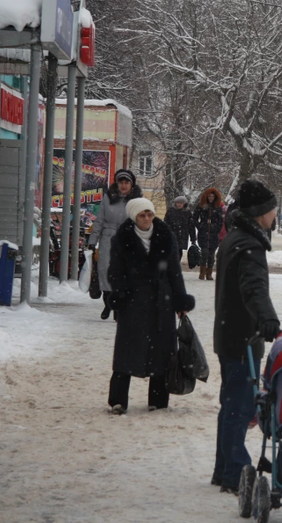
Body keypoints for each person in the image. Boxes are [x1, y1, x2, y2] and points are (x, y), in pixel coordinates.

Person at [212, 179, 282, 495]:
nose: (275, 212)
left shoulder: (236, 239)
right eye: (272, 207)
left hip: (229, 333)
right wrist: (267, 319)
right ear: (260, 212)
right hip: (242, 337)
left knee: (231, 404)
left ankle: (223, 469)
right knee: (238, 406)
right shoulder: (249, 245)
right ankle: (235, 472)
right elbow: (252, 288)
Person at [106, 198, 195, 415]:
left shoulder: (166, 236)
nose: (146, 219)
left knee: (162, 352)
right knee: (126, 351)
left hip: (160, 301)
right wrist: (120, 293)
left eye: (149, 214)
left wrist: (179, 300)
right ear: (134, 217)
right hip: (133, 302)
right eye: (142, 215)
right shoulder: (122, 239)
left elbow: (174, 271)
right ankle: (118, 401)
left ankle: (158, 400)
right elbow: (115, 271)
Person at [87, 169, 142, 320]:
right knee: (105, 271)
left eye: (126, 183)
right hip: (108, 238)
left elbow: (143, 222)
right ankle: (108, 304)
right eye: (121, 182)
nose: (123, 186)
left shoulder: (137, 201)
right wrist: (92, 240)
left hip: (128, 239)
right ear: (117, 184)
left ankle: (119, 307)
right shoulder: (108, 198)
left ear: (131, 184)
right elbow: (99, 220)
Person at [192, 187, 224, 280]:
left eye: (212, 196)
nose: (211, 198)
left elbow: (221, 220)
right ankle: (202, 272)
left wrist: (217, 228)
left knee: (211, 255)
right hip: (203, 233)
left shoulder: (217, 207)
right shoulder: (201, 206)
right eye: (209, 196)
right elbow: (194, 218)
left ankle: (209, 273)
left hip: (214, 234)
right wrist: (200, 226)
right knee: (204, 253)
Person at [164, 195, 196, 262]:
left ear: (184, 204)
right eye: (177, 203)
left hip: (182, 235)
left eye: (180, 203)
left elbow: (191, 226)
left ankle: (176, 265)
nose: (179, 204)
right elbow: (166, 223)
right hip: (172, 234)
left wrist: (193, 238)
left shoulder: (187, 212)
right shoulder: (171, 211)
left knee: (179, 251)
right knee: (171, 251)